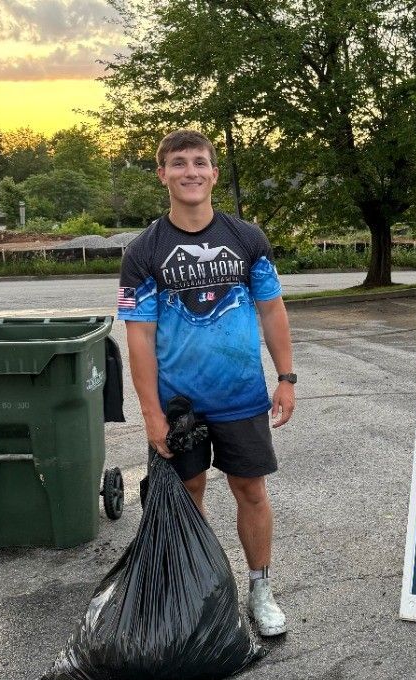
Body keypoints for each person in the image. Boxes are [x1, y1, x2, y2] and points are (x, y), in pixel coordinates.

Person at [117, 129, 296, 637]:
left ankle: (260, 591)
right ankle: (199, 594)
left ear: (214, 173)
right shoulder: (143, 252)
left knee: (250, 490)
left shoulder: (246, 238)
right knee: (189, 492)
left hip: (241, 397)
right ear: (163, 175)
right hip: (180, 407)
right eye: (178, 163)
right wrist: (151, 413)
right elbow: (139, 338)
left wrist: (285, 378)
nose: (190, 171)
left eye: (200, 162)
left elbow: (272, 309)